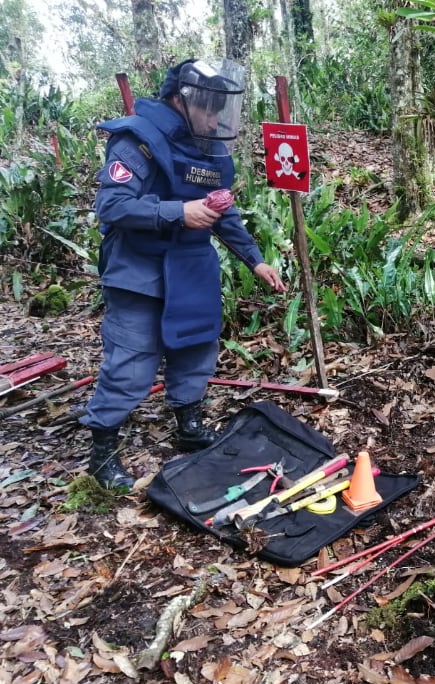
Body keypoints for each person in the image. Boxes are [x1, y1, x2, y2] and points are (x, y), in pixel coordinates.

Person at [81, 58, 287, 492]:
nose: (215, 120)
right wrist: (176, 211)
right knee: (132, 360)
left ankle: (189, 425)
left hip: (192, 270)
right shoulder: (136, 140)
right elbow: (112, 206)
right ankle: (103, 452)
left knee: (195, 349)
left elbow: (220, 212)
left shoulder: (209, 149)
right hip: (139, 270)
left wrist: (255, 260)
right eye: (208, 109)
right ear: (180, 100)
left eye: (219, 111)